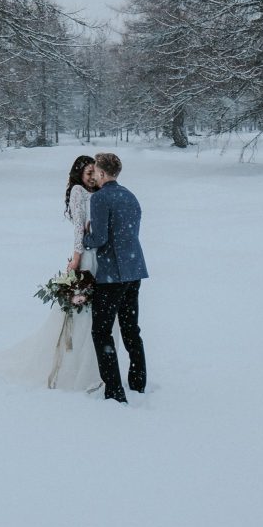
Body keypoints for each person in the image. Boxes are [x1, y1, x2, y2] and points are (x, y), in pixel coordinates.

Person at [0, 155, 104, 392]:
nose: (93, 176)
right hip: (86, 255)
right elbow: (78, 228)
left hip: (98, 255)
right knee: (83, 311)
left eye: (95, 171)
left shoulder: (97, 191)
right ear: (79, 175)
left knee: (96, 311)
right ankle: (74, 367)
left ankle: (94, 365)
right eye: (88, 173)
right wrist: (76, 258)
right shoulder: (78, 192)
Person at [83, 152, 148, 403]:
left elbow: (99, 239)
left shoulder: (100, 198)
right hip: (135, 270)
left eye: (96, 172)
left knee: (101, 331)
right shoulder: (130, 196)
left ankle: (114, 391)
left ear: (101, 173)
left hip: (112, 275)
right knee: (131, 328)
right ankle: (138, 382)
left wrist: (86, 236)